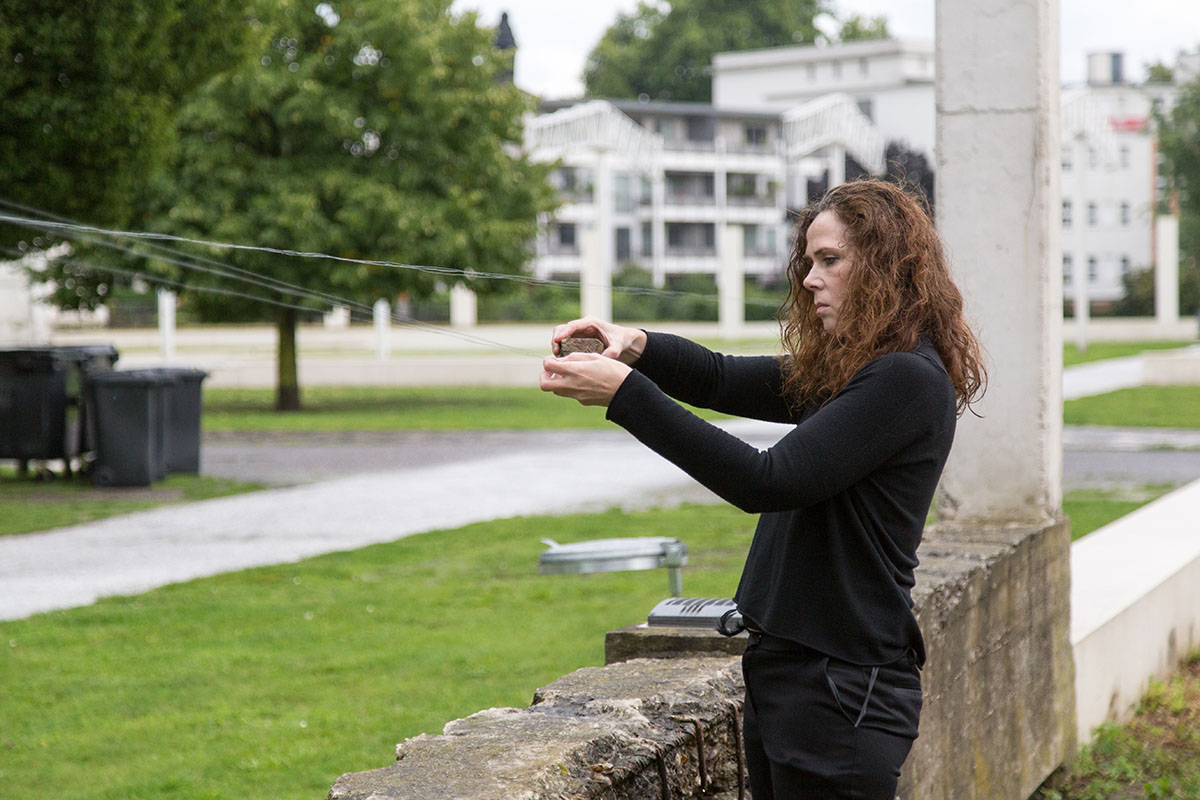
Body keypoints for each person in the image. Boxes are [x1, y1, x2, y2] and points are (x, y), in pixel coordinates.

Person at [538, 179, 986, 800]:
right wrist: (635, 346)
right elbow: (721, 377)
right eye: (809, 261)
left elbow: (765, 480)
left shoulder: (904, 378)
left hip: (842, 689)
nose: (810, 279)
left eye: (830, 260)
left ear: (886, 267)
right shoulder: (859, 368)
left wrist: (625, 395)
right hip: (795, 674)